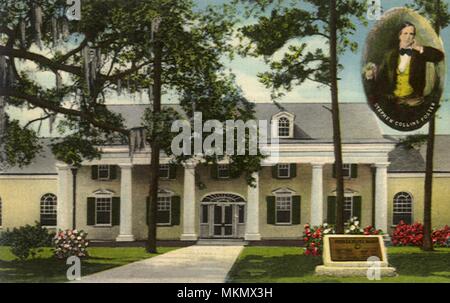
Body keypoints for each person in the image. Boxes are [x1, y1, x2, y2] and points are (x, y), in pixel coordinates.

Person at [365, 22, 444, 107]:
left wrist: (418, 48)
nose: (408, 37)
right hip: (393, 100)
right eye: (405, 33)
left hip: (413, 100)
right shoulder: (390, 55)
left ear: (414, 36)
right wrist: (371, 75)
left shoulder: (419, 54)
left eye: (411, 34)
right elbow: (382, 79)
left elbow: (439, 56)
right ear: (399, 35)